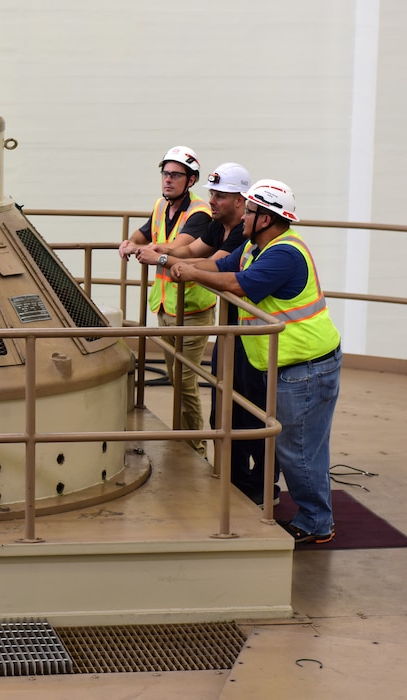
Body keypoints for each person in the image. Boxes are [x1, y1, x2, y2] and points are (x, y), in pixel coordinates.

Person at [171, 179, 341, 543]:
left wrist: (193, 274)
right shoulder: (255, 247)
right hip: (291, 366)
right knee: (298, 446)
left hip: (306, 367)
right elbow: (221, 267)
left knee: (297, 449)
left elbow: (239, 285)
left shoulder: (283, 254)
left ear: (265, 219)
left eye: (249, 211)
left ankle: (316, 522)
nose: (243, 216)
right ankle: (315, 514)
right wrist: (175, 263)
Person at [135, 163, 275, 505]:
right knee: (226, 406)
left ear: (243, 202)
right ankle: (236, 479)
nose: (212, 201)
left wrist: (168, 262)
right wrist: (166, 256)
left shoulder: (245, 236)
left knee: (251, 409)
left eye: (221, 196)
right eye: (212, 194)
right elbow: (194, 253)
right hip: (239, 334)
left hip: (259, 340)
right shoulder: (217, 226)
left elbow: (223, 270)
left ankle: (261, 488)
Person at [118, 146, 214, 456]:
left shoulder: (200, 212)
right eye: (165, 173)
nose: (168, 179)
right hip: (166, 307)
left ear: (191, 180)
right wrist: (131, 242)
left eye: (176, 175)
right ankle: (184, 439)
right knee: (176, 378)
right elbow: (145, 232)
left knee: (185, 381)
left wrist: (153, 251)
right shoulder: (162, 205)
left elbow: (182, 246)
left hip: (192, 310)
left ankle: (196, 446)